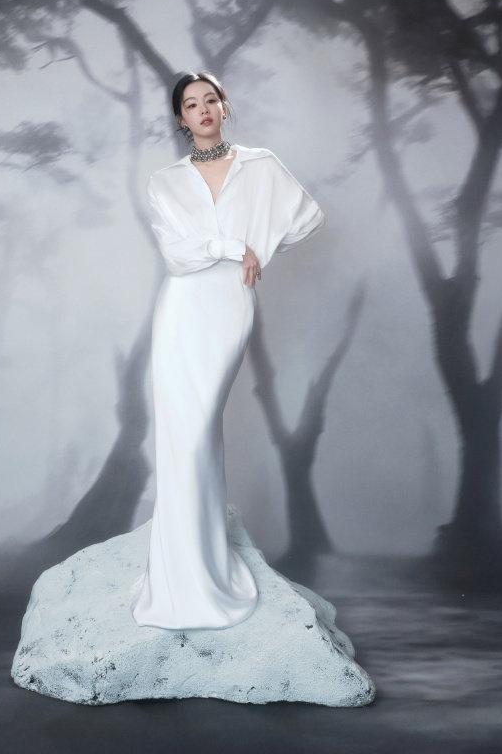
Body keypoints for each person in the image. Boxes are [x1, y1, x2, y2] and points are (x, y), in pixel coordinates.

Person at [129, 71, 326, 630]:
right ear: (181, 118)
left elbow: (307, 218)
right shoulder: (165, 181)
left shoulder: (260, 165)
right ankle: (180, 575)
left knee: (199, 434)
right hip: (182, 309)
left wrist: (258, 247)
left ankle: (204, 568)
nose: (203, 109)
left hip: (228, 306)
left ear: (224, 105)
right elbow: (177, 256)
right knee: (181, 437)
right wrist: (234, 245)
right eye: (191, 104)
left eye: (210, 99)